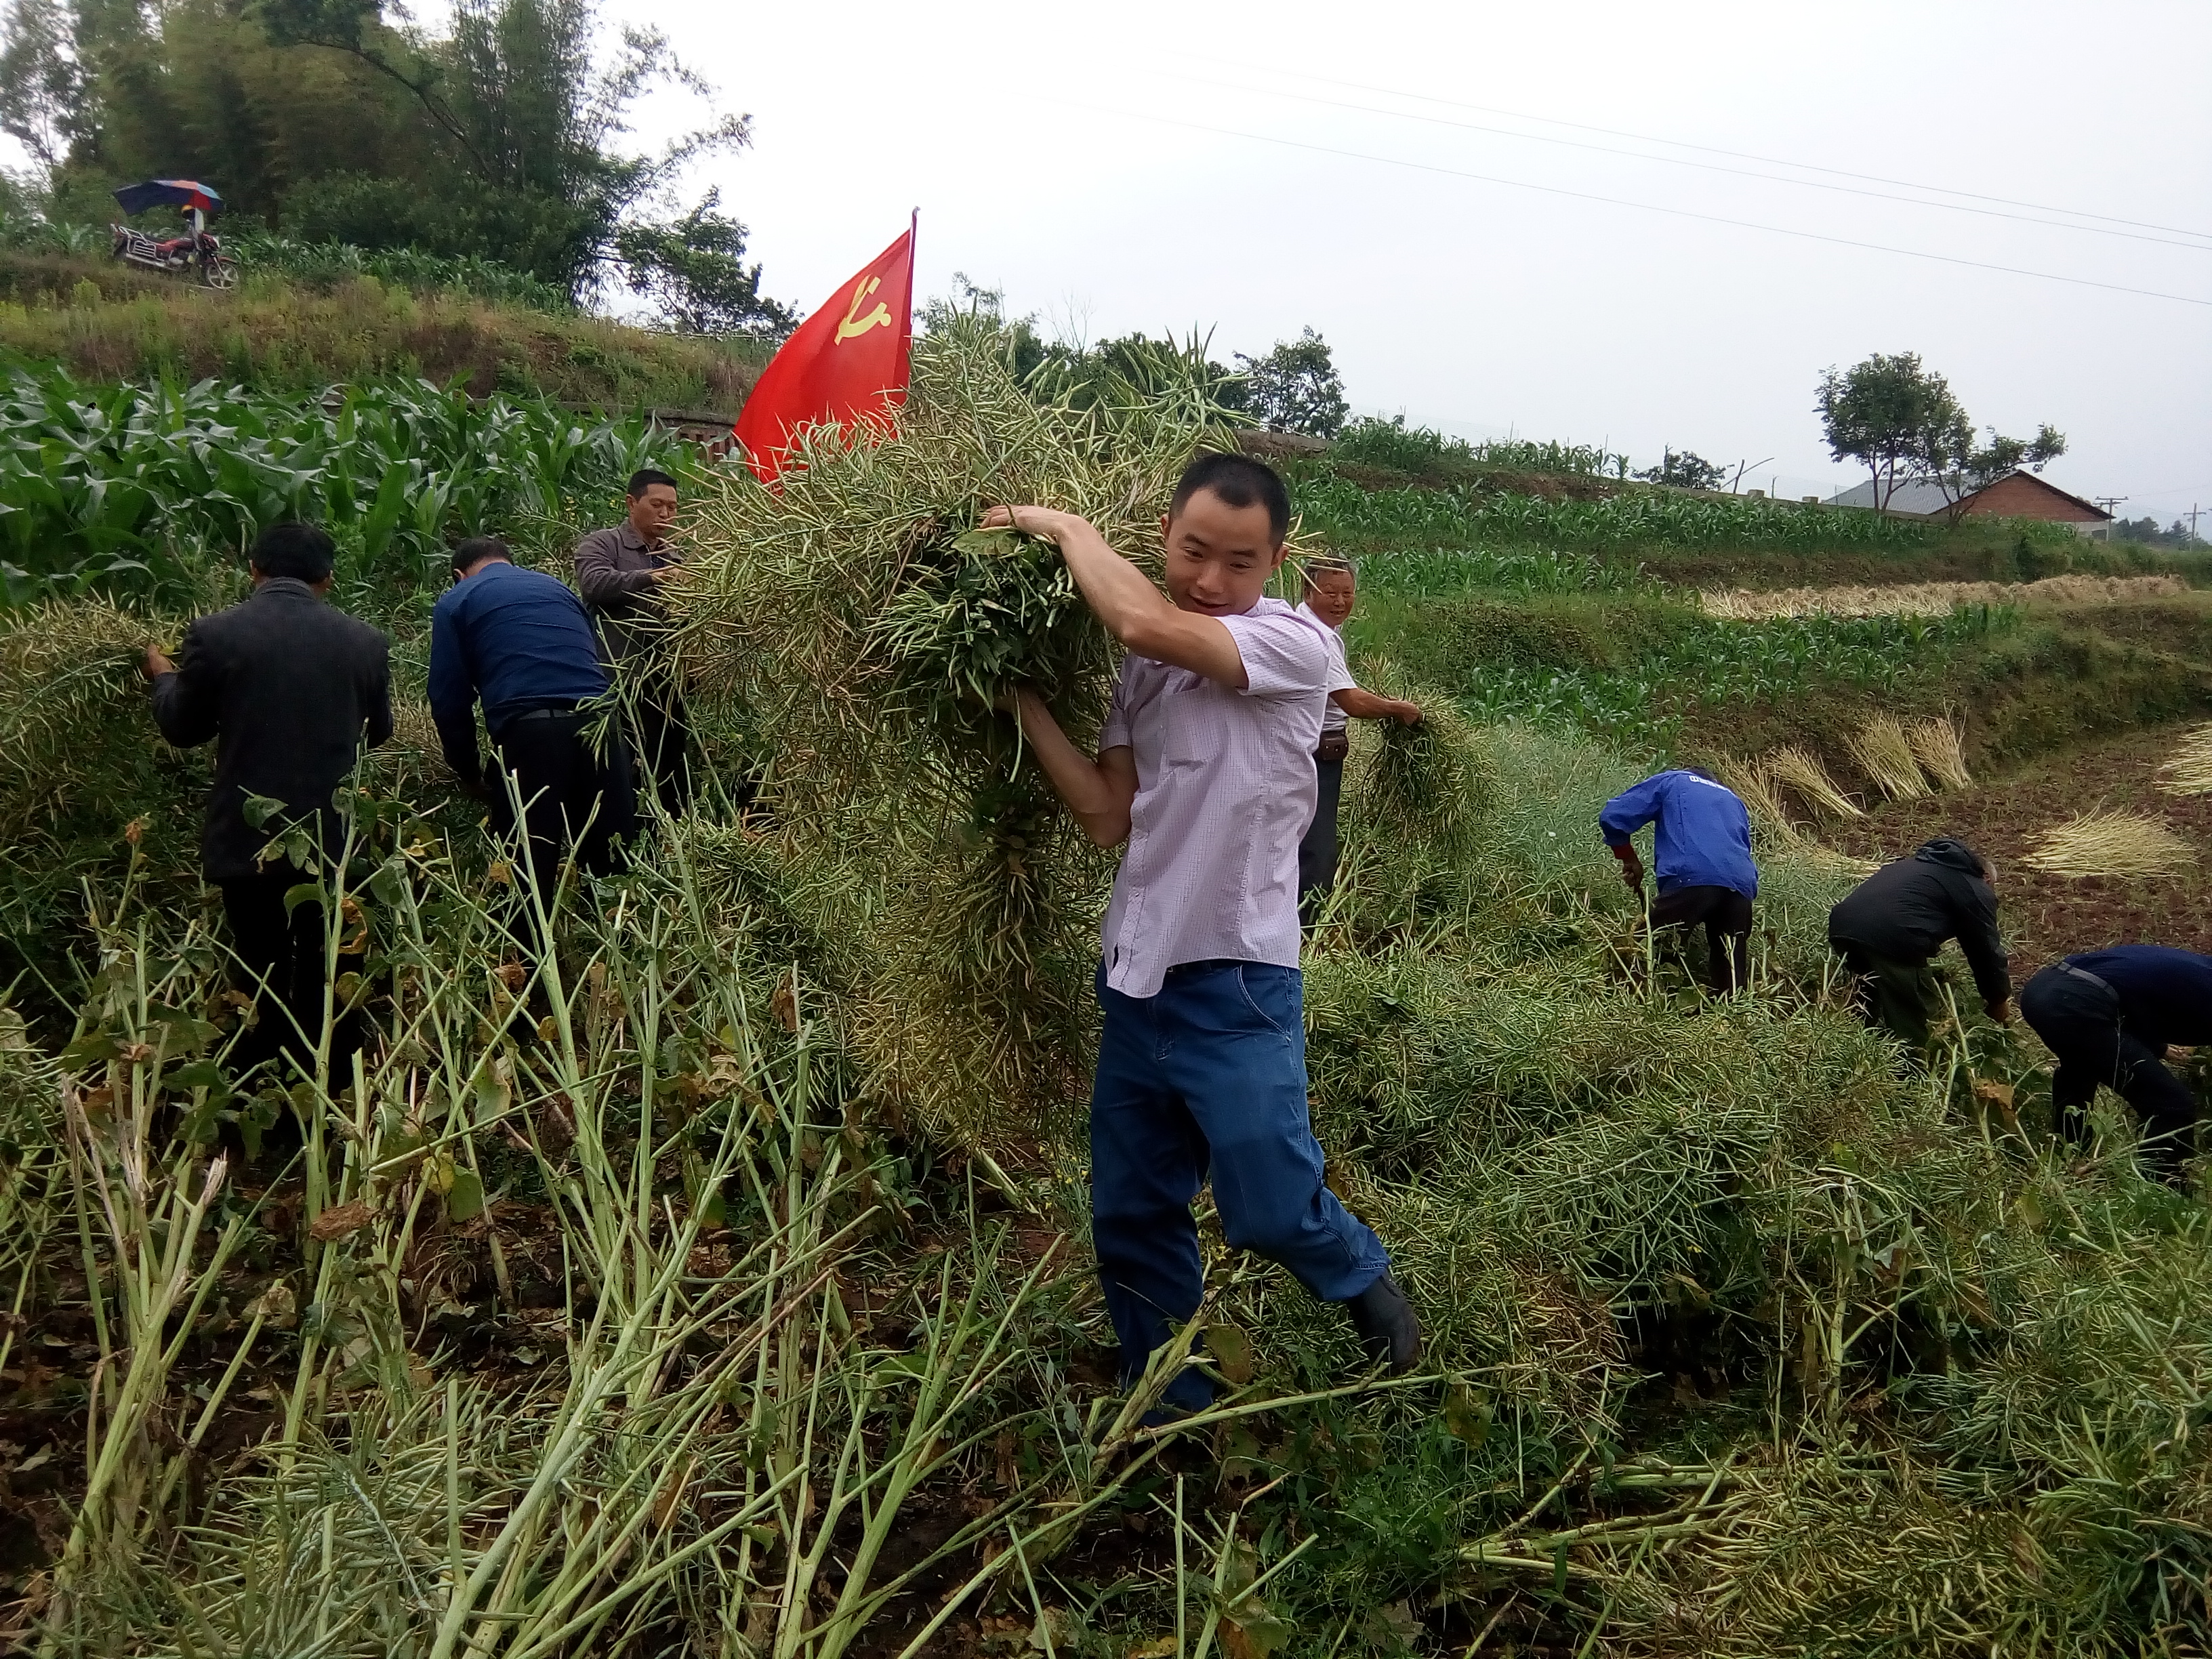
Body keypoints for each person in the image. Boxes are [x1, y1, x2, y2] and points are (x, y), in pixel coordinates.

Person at [992, 451, 1420, 1418]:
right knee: (1133, 1211)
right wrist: (1022, 706)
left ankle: (1356, 1275)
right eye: (1193, 553)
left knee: (1266, 1203)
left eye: (1239, 562)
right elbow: (1107, 813)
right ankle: (1170, 1398)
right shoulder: (1142, 672)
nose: (1211, 580)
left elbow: (1144, 615)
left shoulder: (1293, 645)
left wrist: (1063, 527)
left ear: (1274, 563)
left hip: (1235, 978)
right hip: (1137, 974)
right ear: (1166, 540)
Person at [144, 522, 392, 1078]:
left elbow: (183, 729)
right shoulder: (366, 641)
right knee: (332, 968)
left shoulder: (215, 634)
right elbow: (378, 732)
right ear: (327, 579)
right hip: (335, 837)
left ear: (253, 571)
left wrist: (163, 678)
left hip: (249, 837)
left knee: (259, 969)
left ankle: (260, 1091)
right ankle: (336, 1095)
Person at [428, 537, 636, 914]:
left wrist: (470, 772)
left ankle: (530, 967)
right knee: (611, 865)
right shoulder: (558, 589)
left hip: (532, 733)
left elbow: (448, 699)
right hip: (603, 726)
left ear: (458, 575)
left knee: (527, 870)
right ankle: (621, 961)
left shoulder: (457, 600)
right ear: (509, 562)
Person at [1293, 556, 1422, 920]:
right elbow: (1350, 701)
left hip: (1316, 752)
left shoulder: (1314, 630)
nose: (1340, 601)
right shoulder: (1315, 636)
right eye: (1330, 592)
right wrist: (1399, 709)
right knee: (1314, 849)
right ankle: (1304, 931)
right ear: (1308, 591)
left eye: (1347, 593)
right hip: (1313, 755)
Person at [2020, 945, 2212, 1185]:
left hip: (2045, 989)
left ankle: (2067, 1160)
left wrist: (2159, 1048)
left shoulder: (2199, 969)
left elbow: (2137, 997)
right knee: (2172, 1105)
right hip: (2073, 1004)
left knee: (2081, 1067)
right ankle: (2162, 1194)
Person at [575, 469, 693, 815]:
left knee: (671, 770)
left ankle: (675, 842)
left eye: (672, 508)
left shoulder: (676, 555)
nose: (666, 514)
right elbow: (595, 585)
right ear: (631, 503)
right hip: (618, 681)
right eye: (657, 504)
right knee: (623, 770)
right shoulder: (602, 544)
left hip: (667, 683)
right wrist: (655, 577)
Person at [1828, 839, 2008, 1050]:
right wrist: (1998, 999)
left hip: (1843, 928)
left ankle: (1863, 1055)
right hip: (1892, 936)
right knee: (1918, 1010)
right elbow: (1985, 951)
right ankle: (1910, 1074)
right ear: (1986, 877)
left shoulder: (1913, 866)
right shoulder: (1974, 887)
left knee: (1871, 1001)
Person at [1599, 769, 1758, 994]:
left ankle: (1630, 1007)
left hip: (1692, 875)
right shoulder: (1733, 799)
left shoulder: (1674, 780)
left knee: (1640, 951)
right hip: (1741, 884)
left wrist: (1628, 858)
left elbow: (1613, 816)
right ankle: (1728, 1023)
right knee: (1730, 979)